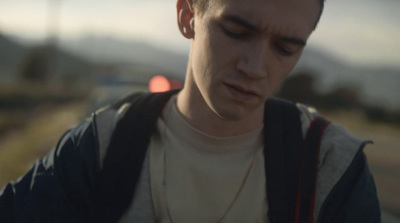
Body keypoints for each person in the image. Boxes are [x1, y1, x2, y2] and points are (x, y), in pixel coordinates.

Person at [0, 0, 381, 222]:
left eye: (285, 48)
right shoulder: (102, 147)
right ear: (187, 16)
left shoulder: (329, 167)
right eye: (235, 30)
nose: (255, 65)